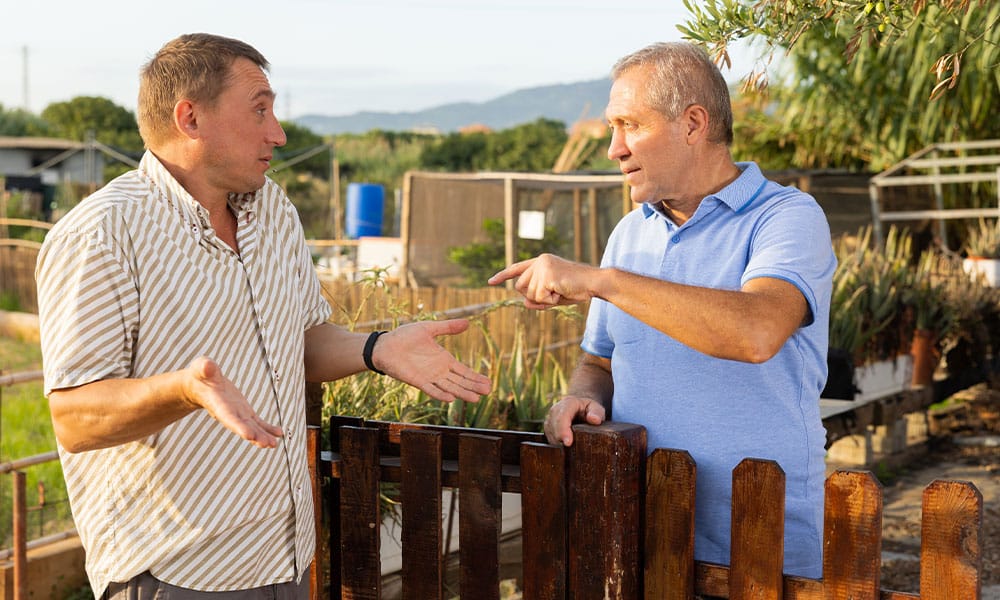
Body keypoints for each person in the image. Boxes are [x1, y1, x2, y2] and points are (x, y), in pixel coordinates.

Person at [35, 33, 491, 598]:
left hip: (286, 560)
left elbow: (301, 340)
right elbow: (75, 420)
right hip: (175, 574)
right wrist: (184, 390)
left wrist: (377, 348)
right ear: (190, 118)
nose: (278, 133)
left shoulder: (273, 209)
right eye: (259, 110)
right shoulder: (102, 233)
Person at [489, 41, 835, 578]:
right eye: (612, 128)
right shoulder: (630, 233)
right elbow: (599, 363)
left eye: (630, 125)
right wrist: (582, 399)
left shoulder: (786, 216)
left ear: (693, 123)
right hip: (642, 534)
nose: (614, 148)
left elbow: (757, 331)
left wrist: (602, 281)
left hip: (758, 537)